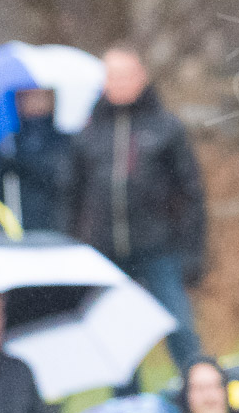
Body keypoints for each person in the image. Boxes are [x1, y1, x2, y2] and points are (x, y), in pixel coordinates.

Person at [63, 44, 206, 373]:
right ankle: (127, 407)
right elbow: (71, 194)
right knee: (120, 338)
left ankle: (198, 390)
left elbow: (191, 193)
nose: (121, 83)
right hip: (106, 253)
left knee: (180, 327)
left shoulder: (166, 127)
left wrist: (193, 253)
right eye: (114, 76)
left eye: (127, 75)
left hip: (160, 248)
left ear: (141, 77)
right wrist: (74, 248)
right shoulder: (88, 133)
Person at [0, 87, 72, 232]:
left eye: (40, 96)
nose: (34, 102)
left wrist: (25, 164)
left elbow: (64, 179)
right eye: (26, 97)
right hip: (21, 225)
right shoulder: (8, 146)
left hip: (59, 226)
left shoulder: (64, 141)